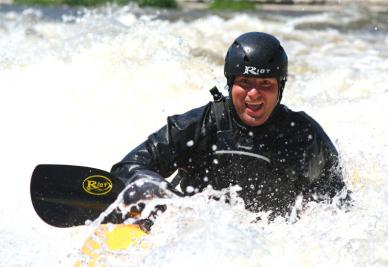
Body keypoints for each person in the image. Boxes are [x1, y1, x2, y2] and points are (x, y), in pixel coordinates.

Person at [111, 32, 348, 219]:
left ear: (280, 89)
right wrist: (155, 188)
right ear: (230, 84)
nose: (253, 94)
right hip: (195, 236)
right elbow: (129, 166)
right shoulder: (200, 125)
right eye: (244, 82)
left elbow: (339, 204)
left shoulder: (304, 135)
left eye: (265, 83)